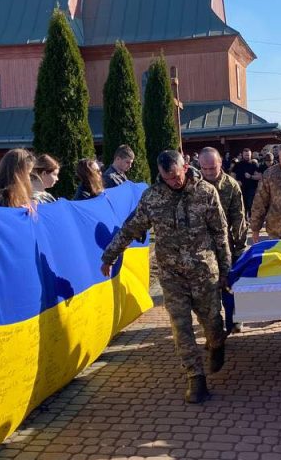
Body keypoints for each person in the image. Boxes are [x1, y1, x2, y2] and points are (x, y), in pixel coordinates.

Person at [101, 151, 230, 404]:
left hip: (204, 272)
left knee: (213, 322)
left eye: (177, 176)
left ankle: (217, 343)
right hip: (172, 276)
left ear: (185, 167)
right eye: (168, 178)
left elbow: (220, 233)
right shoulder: (152, 197)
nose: (174, 182)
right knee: (181, 327)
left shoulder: (206, 192)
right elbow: (131, 228)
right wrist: (109, 255)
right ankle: (195, 378)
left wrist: (226, 271)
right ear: (160, 174)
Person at [198, 147, 248, 264]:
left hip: (223, 245)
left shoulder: (231, 185)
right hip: (198, 248)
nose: (208, 172)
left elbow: (238, 219)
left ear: (220, 162)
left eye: (212, 168)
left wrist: (240, 249)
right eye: (204, 168)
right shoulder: (193, 184)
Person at [231, 148, 262, 213]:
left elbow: (259, 176)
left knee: (250, 206)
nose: (247, 156)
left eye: (248, 155)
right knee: (242, 207)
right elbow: (232, 175)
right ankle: (244, 218)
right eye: (246, 155)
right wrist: (236, 182)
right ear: (242, 155)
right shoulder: (238, 164)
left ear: (251, 155)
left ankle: (251, 218)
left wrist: (251, 176)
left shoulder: (254, 164)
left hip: (251, 189)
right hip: (240, 189)